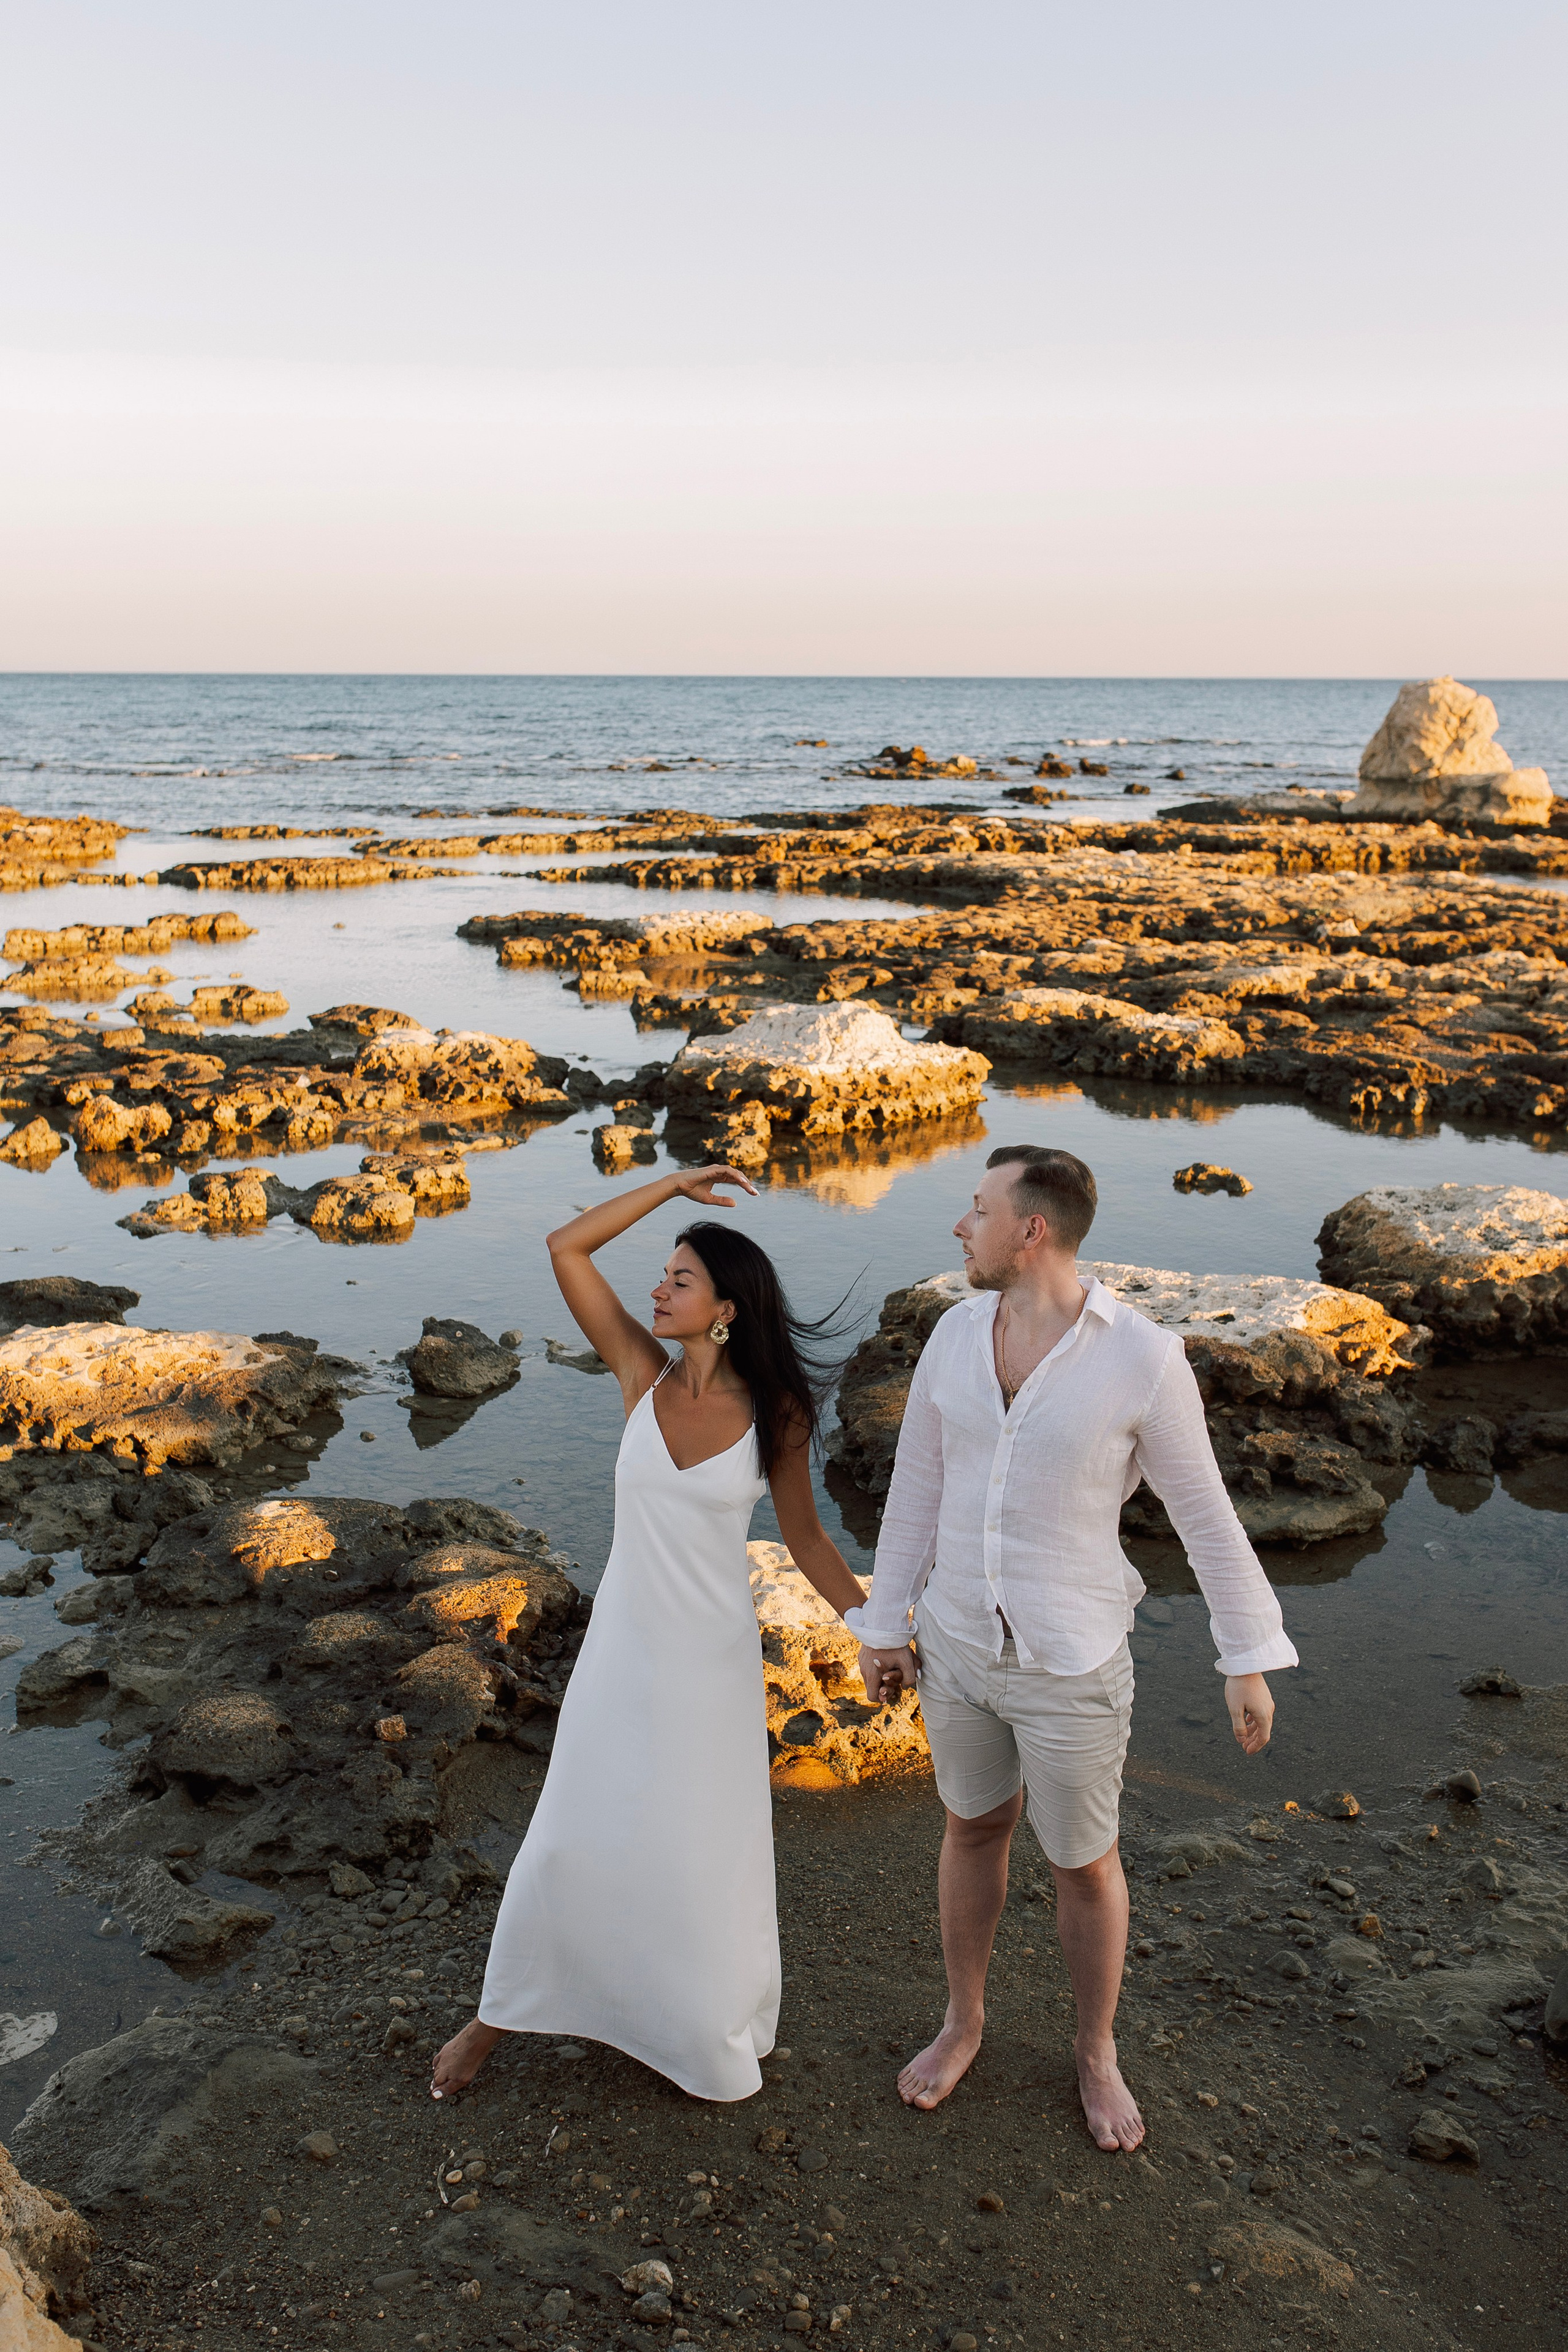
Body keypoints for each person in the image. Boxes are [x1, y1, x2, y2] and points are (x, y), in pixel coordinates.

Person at [847, 1145, 1297, 2151]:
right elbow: (915, 1489)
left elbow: (1204, 1516)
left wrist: (1245, 1658)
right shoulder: (954, 1335)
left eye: (977, 1209)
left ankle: (1095, 2051)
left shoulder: (1143, 1359)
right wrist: (885, 1626)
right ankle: (964, 2021)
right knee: (972, 1828)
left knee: (1085, 1865)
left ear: (1031, 1230)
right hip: (957, 1644)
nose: (960, 1226)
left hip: (1074, 1661)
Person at [430, 1164, 867, 2104]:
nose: (659, 1290)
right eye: (663, 1275)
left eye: (681, 1280)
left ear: (726, 1310)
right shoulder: (641, 1372)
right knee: (570, 1834)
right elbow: (566, 1247)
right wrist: (672, 1187)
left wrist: (874, 1630)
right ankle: (496, 2016)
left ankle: (689, 2025)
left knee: (697, 1850)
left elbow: (807, 1539)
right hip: (621, 1654)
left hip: (709, 1666)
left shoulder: (778, 1415)